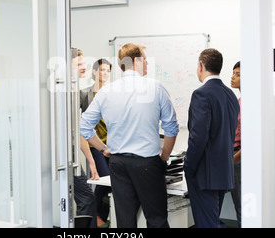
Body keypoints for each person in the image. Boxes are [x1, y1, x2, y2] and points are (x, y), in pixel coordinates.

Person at [80, 43, 179, 228]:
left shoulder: (106, 91)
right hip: (148, 163)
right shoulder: (155, 87)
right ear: (136, 61)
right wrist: (164, 157)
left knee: (125, 223)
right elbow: (171, 127)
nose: (148, 64)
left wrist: (103, 149)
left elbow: (84, 126)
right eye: (145, 60)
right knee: (156, 219)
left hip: (118, 164)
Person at [183, 48, 240, 228]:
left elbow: (198, 138)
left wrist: (188, 166)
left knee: (207, 224)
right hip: (224, 171)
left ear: (201, 66)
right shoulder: (231, 95)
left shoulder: (201, 93)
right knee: (213, 221)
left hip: (204, 174)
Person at [71, 47, 106, 228]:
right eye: (79, 63)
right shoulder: (70, 93)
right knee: (86, 198)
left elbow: (78, 130)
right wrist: (95, 158)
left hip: (71, 155)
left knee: (86, 198)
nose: (83, 66)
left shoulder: (72, 90)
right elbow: (80, 130)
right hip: (65, 156)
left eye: (83, 62)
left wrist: (91, 160)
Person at [80, 58, 112, 228]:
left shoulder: (112, 92)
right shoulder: (84, 94)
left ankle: (101, 215)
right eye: (101, 70)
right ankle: (97, 215)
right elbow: (78, 122)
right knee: (103, 179)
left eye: (108, 70)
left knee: (111, 181)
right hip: (94, 144)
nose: (105, 73)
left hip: (112, 144)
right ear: (94, 72)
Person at [230, 61, 241, 227]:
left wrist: (233, 160)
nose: (232, 77)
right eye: (233, 73)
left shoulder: (249, 103)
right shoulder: (238, 100)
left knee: (242, 205)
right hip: (233, 155)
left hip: (238, 158)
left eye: (238, 74)